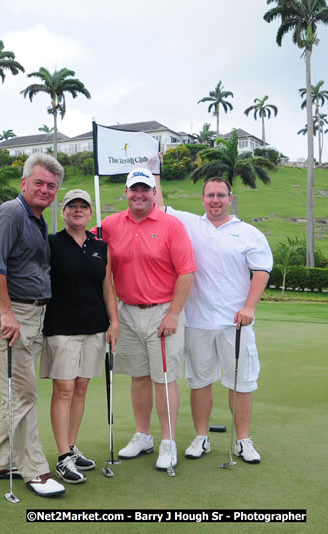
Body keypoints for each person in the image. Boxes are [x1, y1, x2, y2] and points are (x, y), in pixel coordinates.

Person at [154, 173, 272, 464]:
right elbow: (158, 206)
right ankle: (201, 437)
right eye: (210, 195)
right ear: (203, 198)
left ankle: (243, 440)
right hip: (198, 321)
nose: (215, 200)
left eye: (221, 195)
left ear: (230, 199)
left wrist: (250, 307)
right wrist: (155, 170)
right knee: (199, 382)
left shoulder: (249, 233)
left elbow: (261, 271)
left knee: (240, 384)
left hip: (237, 322)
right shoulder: (191, 224)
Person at [0, 153, 65, 498]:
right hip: (10, 313)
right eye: (39, 183)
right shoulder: (12, 213)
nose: (45, 190)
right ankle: (35, 471)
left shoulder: (37, 219)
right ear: (24, 183)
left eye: (51, 186)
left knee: (14, 394)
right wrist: (8, 315)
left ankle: (4, 460)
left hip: (32, 314)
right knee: (24, 393)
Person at [98, 168, 196, 472]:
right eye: (133, 189)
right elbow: (78, 244)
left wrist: (174, 313)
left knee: (164, 379)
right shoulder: (110, 225)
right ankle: (143, 435)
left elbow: (187, 272)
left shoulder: (171, 225)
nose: (139, 194)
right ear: (126, 192)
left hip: (162, 312)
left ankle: (168, 441)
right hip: (126, 312)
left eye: (145, 189)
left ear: (154, 192)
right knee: (138, 376)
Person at [40, 189, 119, 484]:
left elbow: (107, 287)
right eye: (72, 206)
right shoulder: (51, 243)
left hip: (94, 327)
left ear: (90, 213)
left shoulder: (101, 246)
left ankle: (71, 448)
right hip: (61, 328)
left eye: (83, 206)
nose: (77, 210)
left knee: (82, 387)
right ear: (63, 212)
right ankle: (62, 457)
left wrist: (114, 322)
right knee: (64, 390)